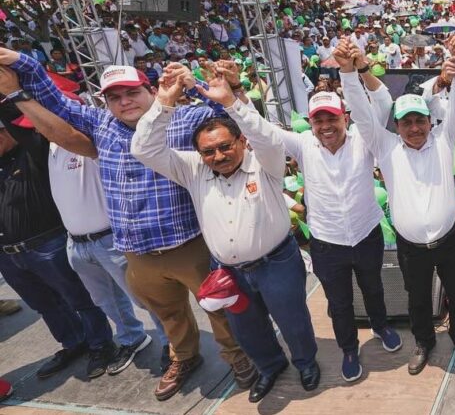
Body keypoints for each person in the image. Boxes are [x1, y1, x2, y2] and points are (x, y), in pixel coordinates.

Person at [0, 48, 253, 401]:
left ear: (152, 90)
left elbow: (229, 113)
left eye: (132, 92)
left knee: (219, 308)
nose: (125, 102)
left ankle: (238, 356)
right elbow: (52, 97)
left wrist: (191, 85)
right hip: (136, 251)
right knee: (167, 314)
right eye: (115, 97)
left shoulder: (180, 120)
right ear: (105, 102)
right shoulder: (101, 125)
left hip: (188, 243)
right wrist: (20, 60)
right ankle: (184, 357)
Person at [130, 65, 320, 403]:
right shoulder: (191, 169)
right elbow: (143, 149)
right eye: (208, 151)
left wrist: (232, 103)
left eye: (225, 146)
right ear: (199, 153)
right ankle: (270, 367)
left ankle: (305, 363)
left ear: (241, 141)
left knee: (293, 321)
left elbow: (268, 137)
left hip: (277, 263)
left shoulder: (267, 162)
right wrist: (164, 102)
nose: (218, 156)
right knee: (246, 329)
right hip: (228, 272)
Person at [226, 40, 402, 384]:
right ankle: (349, 348)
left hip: (366, 234)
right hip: (326, 243)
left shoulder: (365, 138)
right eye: (318, 119)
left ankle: (381, 326)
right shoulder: (302, 144)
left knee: (374, 290)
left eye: (331, 118)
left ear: (344, 118)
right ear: (310, 121)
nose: (325, 126)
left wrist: (354, 70)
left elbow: (382, 103)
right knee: (338, 303)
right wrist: (234, 95)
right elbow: (260, 129)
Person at [0, 68, 166, 376]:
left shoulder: (94, 139)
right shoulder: (46, 148)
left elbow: (65, 131)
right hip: (76, 244)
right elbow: (22, 124)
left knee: (147, 299)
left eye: (46, 117)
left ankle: (173, 345)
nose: (39, 125)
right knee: (106, 302)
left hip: (110, 239)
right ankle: (133, 338)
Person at [360, 37, 455, 374]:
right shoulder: (386, 148)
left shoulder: (444, 138)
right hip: (412, 247)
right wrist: (348, 73)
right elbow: (362, 111)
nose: (414, 128)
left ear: (430, 121)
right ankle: (424, 342)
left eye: (419, 120)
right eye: (406, 122)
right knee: (417, 298)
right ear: (396, 126)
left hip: (449, 239)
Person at [0, 100, 115, 380]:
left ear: (7, 133)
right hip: (9, 254)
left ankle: (101, 344)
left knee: (77, 297)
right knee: (44, 304)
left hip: (46, 244)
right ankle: (73, 342)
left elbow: (18, 116)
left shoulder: (34, 151)